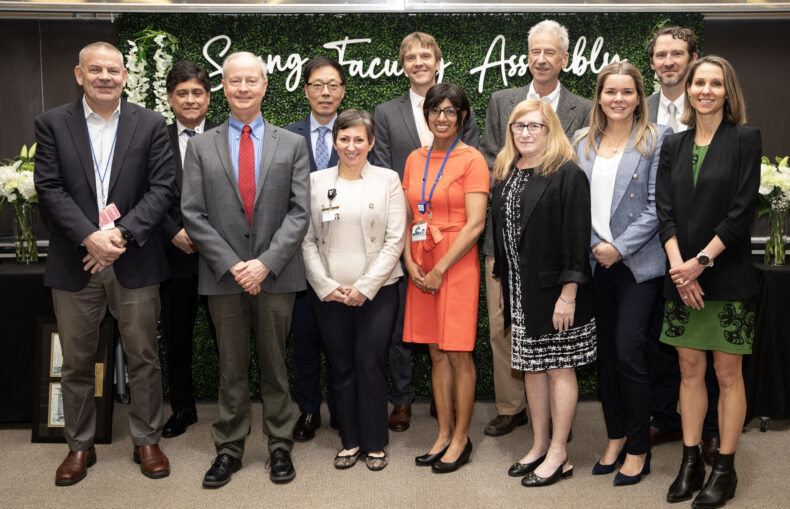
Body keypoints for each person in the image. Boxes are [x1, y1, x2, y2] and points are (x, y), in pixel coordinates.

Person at [34, 41, 174, 485]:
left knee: (144, 357)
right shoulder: (52, 123)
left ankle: (146, 439)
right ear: (79, 75)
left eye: (113, 70)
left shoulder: (151, 124)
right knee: (75, 361)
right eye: (95, 70)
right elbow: (50, 188)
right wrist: (89, 237)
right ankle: (79, 445)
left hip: (133, 258)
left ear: (126, 76)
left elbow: (162, 187)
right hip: (76, 260)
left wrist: (119, 234)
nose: (105, 77)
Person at [181, 51, 309, 488]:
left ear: (264, 85)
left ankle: (279, 446)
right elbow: (193, 214)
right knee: (231, 369)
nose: (242, 88)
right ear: (224, 86)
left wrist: (265, 263)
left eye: (250, 80)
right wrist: (235, 264)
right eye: (234, 81)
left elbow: (299, 212)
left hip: (276, 274)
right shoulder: (200, 145)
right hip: (223, 275)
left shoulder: (291, 144)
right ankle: (229, 449)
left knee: (275, 366)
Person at [479, 19, 592, 437]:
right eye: (535, 52)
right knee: (504, 328)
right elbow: (494, 159)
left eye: (551, 52)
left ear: (564, 59)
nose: (542, 59)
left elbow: (578, 174)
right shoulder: (501, 101)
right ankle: (512, 408)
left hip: (552, 248)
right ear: (527, 57)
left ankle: (555, 436)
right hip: (505, 244)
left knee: (554, 346)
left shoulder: (582, 107)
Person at [656, 56, 761, 508]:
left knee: (727, 373)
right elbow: (664, 214)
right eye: (699, 82)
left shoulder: (745, 140)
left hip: (726, 276)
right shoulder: (673, 145)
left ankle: (725, 468)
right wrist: (682, 270)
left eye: (715, 83)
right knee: (689, 371)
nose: (705, 90)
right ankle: (691, 462)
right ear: (688, 88)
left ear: (727, 91)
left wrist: (700, 263)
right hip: (683, 279)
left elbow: (741, 213)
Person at [373, 32, 479, 432]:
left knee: (450, 343)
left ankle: (449, 411)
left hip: (452, 240)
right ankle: (402, 399)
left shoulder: (460, 112)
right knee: (409, 327)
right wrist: (401, 243)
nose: (418, 61)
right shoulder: (387, 112)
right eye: (411, 56)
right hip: (410, 237)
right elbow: (385, 174)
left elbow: (473, 186)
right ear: (403, 64)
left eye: (426, 55)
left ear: (438, 60)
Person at [573, 61, 671, 486]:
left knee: (631, 353)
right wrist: (598, 246)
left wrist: (618, 247)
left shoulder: (657, 139)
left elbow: (657, 206)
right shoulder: (581, 140)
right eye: (610, 91)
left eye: (627, 92)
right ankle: (613, 437)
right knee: (607, 355)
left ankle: (637, 446)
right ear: (599, 96)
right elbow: (576, 203)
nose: (618, 99)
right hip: (594, 263)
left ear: (639, 97)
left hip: (638, 264)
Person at [491, 100, 595, 487]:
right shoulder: (505, 171)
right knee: (532, 368)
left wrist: (568, 294)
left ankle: (559, 453)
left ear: (550, 129)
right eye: (519, 125)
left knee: (558, 368)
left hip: (556, 293)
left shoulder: (567, 174)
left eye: (535, 126)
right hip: (520, 289)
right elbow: (502, 236)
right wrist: (503, 281)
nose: (526, 132)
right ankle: (538, 445)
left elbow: (576, 239)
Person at [302, 109, 406, 471]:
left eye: (358, 139)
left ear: (371, 143)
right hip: (330, 293)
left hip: (379, 290)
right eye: (344, 139)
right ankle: (351, 440)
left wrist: (365, 286)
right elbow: (307, 240)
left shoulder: (388, 180)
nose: (351, 146)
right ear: (334, 141)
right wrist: (326, 285)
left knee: (371, 363)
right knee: (341, 366)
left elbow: (395, 240)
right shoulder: (316, 181)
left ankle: (375, 442)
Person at [402, 83, 488, 473]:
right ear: (427, 114)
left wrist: (439, 269)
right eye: (436, 109)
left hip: (455, 262)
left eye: (451, 111)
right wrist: (409, 263)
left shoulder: (472, 159)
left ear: (463, 117)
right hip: (421, 261)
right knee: (435, 351)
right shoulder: (414, 159)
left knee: (457, 351)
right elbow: (407, 216)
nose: (442, 117)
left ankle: (461, 438)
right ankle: (442, 432)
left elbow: (475, 225)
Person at [646, 27, 721, 465]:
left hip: (703, 254)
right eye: (661, 55)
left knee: (706, 345)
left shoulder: (710, 110)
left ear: (693, 58)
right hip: (653, 251)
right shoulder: (641, 108)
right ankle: (666, 418)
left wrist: (698, 258)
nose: (669, 61)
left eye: (677, 54)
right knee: (658, 341)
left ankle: (710, 430)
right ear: (653, 62)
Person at [284, 56, 344, 442]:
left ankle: (342, 409)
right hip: (297, 256)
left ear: (342, 91)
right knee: (303, 339)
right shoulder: (286, 137)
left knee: (342, 341)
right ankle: (308, 410)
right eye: (317, 85)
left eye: (333, 85)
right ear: (305, 90)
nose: (325, 92)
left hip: (345, 255)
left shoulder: (358, 132)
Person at [160, 60, 217, 439]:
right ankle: (183, 408)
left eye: (197, 92)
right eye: (182, 93)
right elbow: (143, 191)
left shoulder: (228, 136)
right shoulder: (152, 138)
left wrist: (210, 236)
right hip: (173, 254)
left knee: (227, 337)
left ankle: (234, 409)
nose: (190, 100)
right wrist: (173, 231)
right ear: (170, 99)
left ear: (209, 98)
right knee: (177, 338)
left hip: (219, 257)